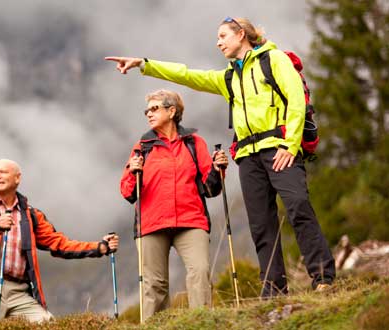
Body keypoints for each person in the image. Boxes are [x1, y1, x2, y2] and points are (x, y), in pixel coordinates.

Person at [105, 16, 335, 296]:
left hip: (279, 148)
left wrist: (290, 145)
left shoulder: (274, 59)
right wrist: (143, 64)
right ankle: (274, 289)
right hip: (248, 157)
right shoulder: (228, 77)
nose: (218, 42)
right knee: (261, 224)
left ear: (241, 34)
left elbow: (296, 100)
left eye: (223, 36)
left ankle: (323, 277)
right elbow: (187, 75)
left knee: (299, 207)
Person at [0, 159, 120, 328]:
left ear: (17, 178)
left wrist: (100, 247)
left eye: (3, 172)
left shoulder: (30, 215)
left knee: (49, 325)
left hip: (19, 291)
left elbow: (59, 243)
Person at [120, 89, 227, 321]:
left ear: (172, 111)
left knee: (199, 271)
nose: (149, 113)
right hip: (151, 224)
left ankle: (202, 323)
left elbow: (212, 189)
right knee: (154, 285)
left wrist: (219, 170)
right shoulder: (143, 146)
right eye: (146, 110)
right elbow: (128, 192)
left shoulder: (194, 143)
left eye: (154, 108)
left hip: (191, 220)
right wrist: (133, 171)